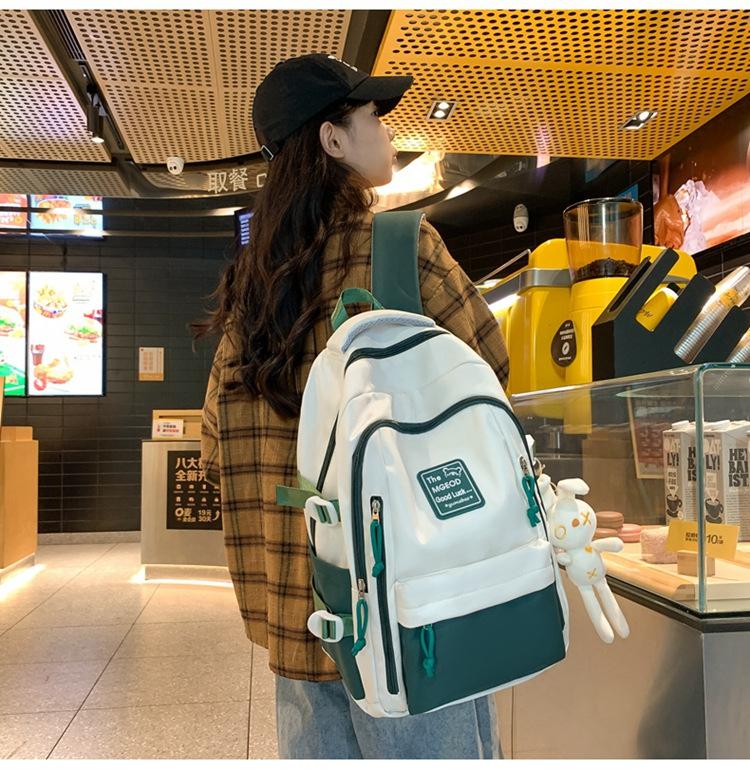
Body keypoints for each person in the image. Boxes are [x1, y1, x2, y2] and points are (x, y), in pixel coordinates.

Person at [197, 53, 509, 760]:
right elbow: (490, 375)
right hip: (408, 613)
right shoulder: (401, 248)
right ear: (333, 138)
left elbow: (215, 443)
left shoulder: (250, 292)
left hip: (296, 622)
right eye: (374, 114)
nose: (387, 129)